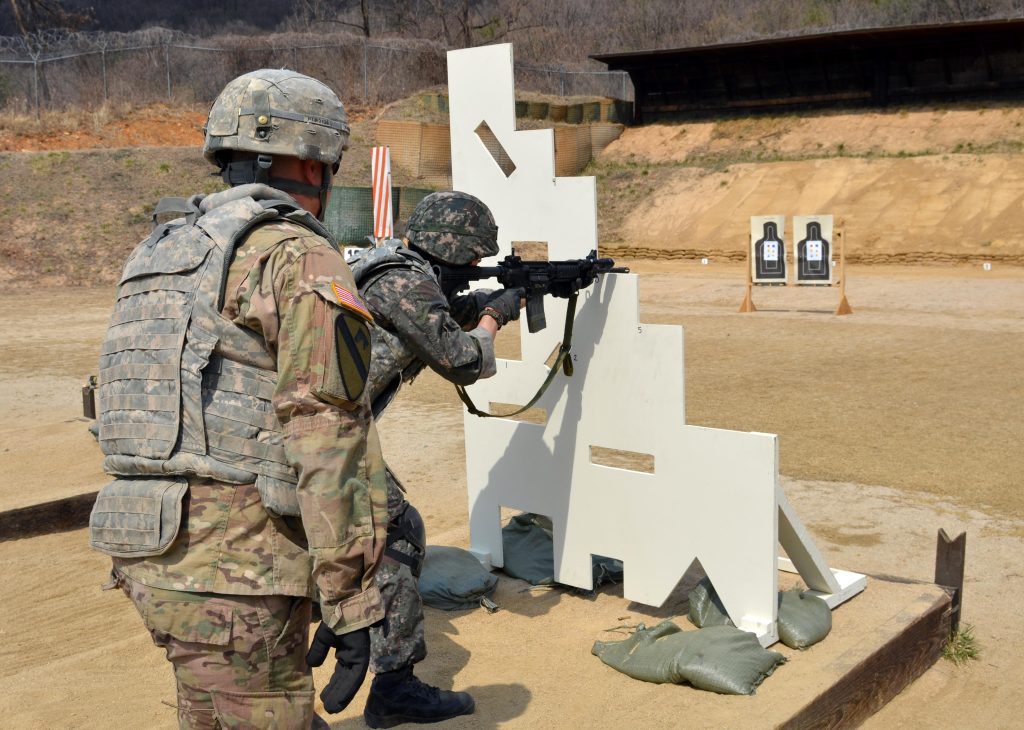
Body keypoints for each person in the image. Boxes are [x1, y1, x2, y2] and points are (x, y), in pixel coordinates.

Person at [88, 69, 388, 729]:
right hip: (241, 573)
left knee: (208, 712)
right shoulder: (296, 255)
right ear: (313, 162)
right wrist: (352, 600)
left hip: (147, 546)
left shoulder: (163, 247)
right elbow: (329, 432)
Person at [341, 191, 522, 728]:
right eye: (472, 259)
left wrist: (493, 299)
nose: (473, 267)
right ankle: (394, 688)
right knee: (397, 536)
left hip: (324, 430)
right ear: (459, 250)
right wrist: (494, 315)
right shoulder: (406, 283)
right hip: (321, 435)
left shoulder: (394, 270)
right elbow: (463, 359)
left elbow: (433, 317)